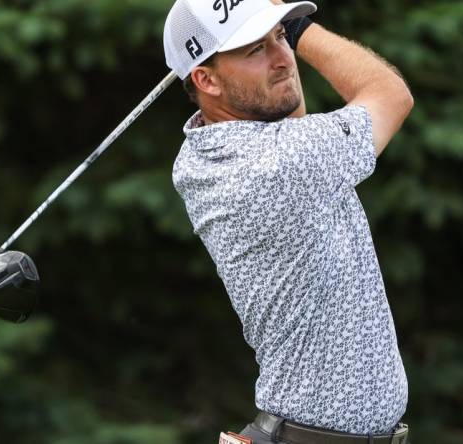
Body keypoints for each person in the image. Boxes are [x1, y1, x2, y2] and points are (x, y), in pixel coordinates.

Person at [163, 0, 414, 442]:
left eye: (280, 38)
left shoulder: (203, 153)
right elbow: (392, 95)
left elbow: (288, 111)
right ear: (205, 78)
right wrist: (299, 27)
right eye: (254, 50)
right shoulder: (280, 163)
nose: (282, 57)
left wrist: (268, 45)